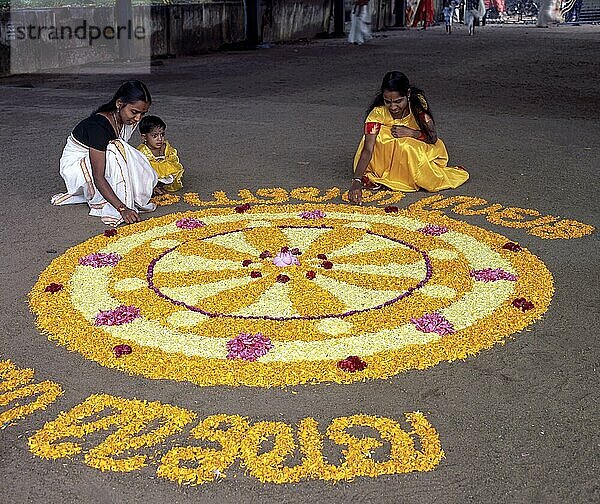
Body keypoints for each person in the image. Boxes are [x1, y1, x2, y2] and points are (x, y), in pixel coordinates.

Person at [349, 71, 469, 205]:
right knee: (380, 137)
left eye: (398, 101)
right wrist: (357, 180)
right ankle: (389, 175)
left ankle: (404, 178)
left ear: (408, 94)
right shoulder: (377, 112)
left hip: (418, 146)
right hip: (384, 157)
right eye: (388, 102)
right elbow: (368, 149)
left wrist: (411, 133)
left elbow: (433, 138)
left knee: (406, 146)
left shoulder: (418, 106)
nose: (393, 107)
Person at [52, 80, 159, 226]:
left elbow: (126, 157)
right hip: (77, 166)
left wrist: (143, 183)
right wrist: (122, 208)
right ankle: (108, 200)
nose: (138, 118)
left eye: (143, 113)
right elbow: (99, 176)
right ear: (119, 104)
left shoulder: (126, 120)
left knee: (119, 149)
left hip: (101, 159)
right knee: (116, 147)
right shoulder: (98, 127)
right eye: (134, 112)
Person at [137, 115, 184, 194]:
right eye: (154, 136)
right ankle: (153, 188)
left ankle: (161, 186)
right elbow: (140, 172)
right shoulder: (142, 152)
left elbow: (173, 161)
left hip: (163, 174)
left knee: (172, 176)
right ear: (144, 137)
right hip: (148, 177)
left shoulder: (165, 147)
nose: (160, 139)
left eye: (162, 134)